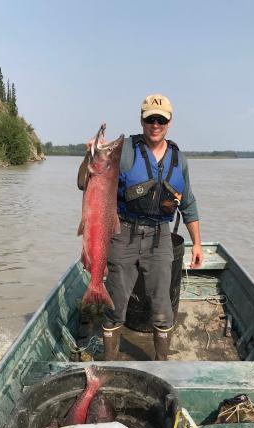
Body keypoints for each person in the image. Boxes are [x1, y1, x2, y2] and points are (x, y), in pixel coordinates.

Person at [78, 93, 203, 361]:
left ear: (169, 122)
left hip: (160, 238)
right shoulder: (124, 151)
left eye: (160, 119)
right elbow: (83, 182)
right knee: (116, 306)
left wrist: (197, 245)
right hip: (123, 234)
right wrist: (88, 154)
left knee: (162, 306)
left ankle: (162, 363)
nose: (155, 124)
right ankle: (110, 363)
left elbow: (188, 203)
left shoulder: (179, 159)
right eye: (150, 119)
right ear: (142, 120)